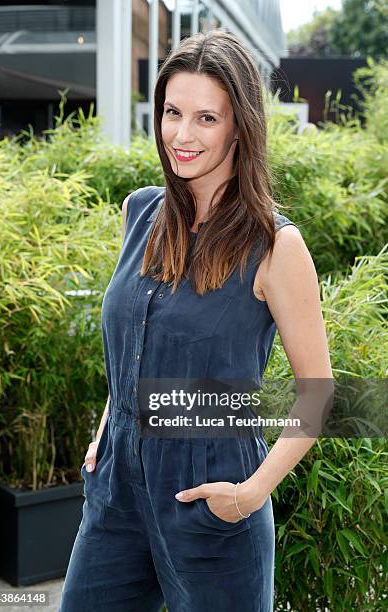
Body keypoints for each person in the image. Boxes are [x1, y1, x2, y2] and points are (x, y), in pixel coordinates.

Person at [59, 30, 333, 612]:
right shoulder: (140, 213)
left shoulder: (274, 246)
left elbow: (318, 391)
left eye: (206, 117)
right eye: (172, 112)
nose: (182, 135)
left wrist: (252, 493)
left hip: (210, 499)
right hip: (116, 497)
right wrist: (111, 424)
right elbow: (135, 333)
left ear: (240, 125)